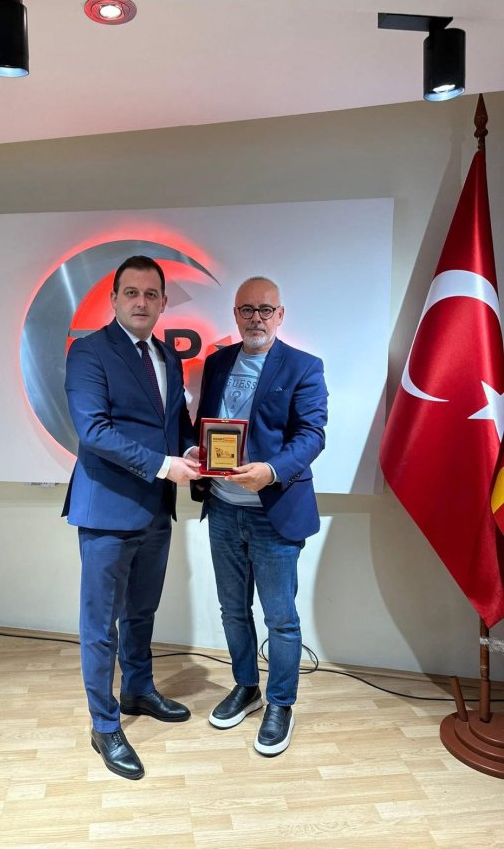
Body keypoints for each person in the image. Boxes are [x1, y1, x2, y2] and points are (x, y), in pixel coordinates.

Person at [62, 255, 200, 780]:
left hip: (156, 509)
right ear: (114, 299)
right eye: (131, 293)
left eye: (151, 294)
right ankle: (104, 724)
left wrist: (192, 452)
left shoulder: (167, 356)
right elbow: (94, 431)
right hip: (106, 507)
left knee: (141, 613)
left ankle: (138, 690)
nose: (141, 302)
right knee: (101, 624)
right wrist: (165, 465)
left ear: (163, 302)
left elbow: (174, 425)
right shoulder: (88, 352)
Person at [193, 276, 327, 756]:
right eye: (247, 310)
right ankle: (246, 686)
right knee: (232, 610)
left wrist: (271, 470)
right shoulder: (217, 363)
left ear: (280, 315)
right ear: (235, 314)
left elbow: (312, 435)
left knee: (281, 619)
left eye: (265, 310)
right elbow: (204, 425)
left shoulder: (304, 366)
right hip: (223, 509)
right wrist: (193, 451)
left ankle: (280, 703)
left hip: (274, 514)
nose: (256, 318)